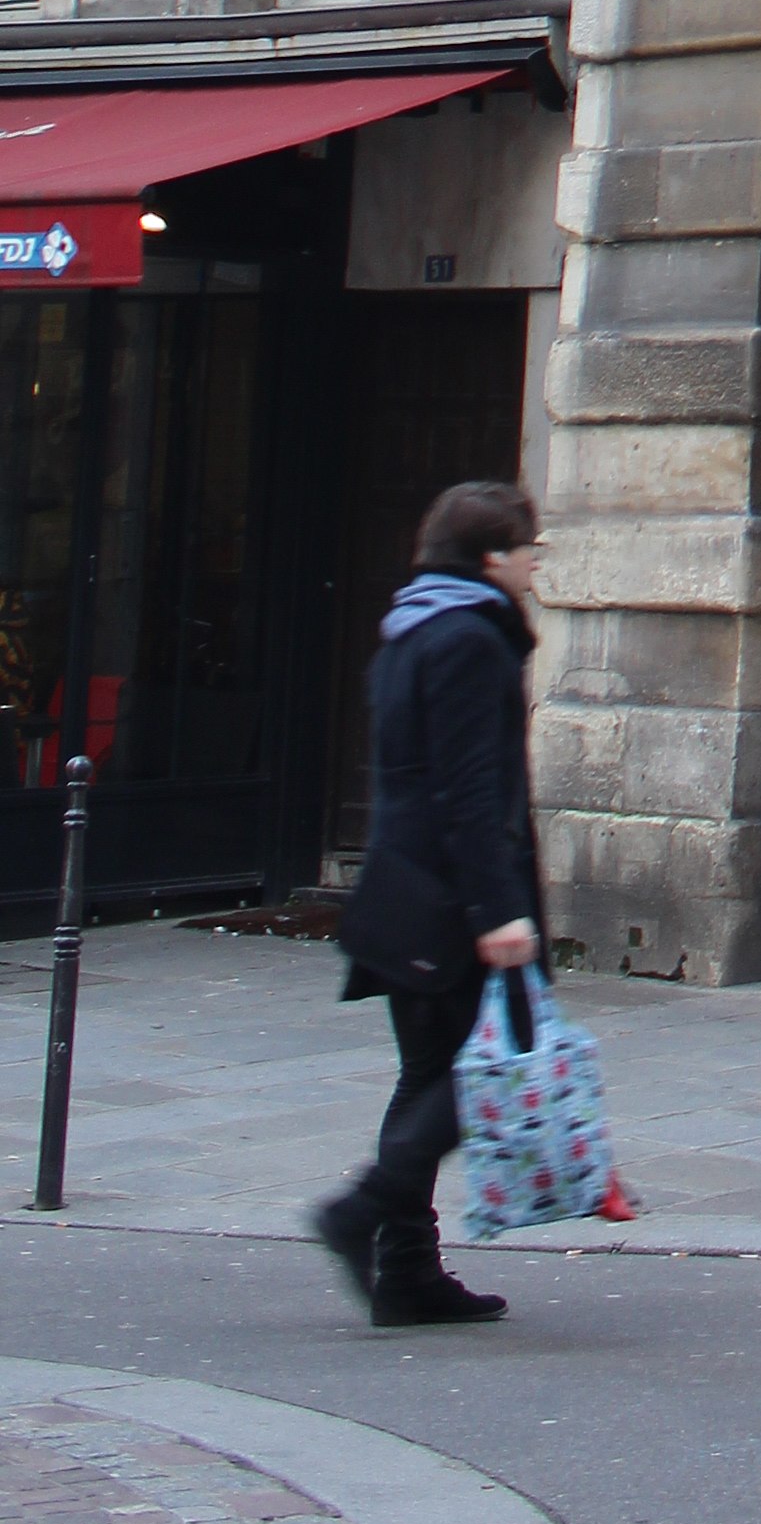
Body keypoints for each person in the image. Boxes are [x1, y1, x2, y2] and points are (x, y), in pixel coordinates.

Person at [314, 477, 545, 1326]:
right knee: (478, 1074)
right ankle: (361, 1212)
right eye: (529, 548)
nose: (534, 562)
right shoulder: (469, 641)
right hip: (449, 902)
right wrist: (497, 914)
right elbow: (468, 793)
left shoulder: (409, 628)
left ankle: (408, 1271)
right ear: (492, 556)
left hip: (403, 890)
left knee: (427, 1076)